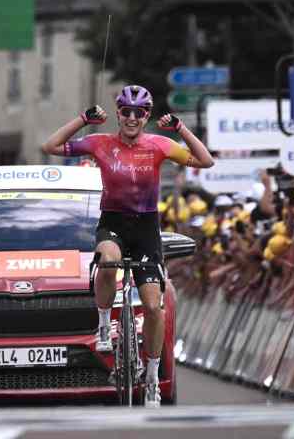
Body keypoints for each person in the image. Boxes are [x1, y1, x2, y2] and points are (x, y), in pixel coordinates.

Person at [41, 84, 214, 407]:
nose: (132, 118)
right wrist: (83, 119)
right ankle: (104, 325)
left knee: (151, 306)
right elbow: (50, 145)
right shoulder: (100, 143)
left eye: (140, 113)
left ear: (147, 116)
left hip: (146, 229)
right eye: (126, 111)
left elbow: (206, 161)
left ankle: (150, 378)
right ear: (118, 113)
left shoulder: (160, 145)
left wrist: (180, 128)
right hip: (114, 223)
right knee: (108, 260)